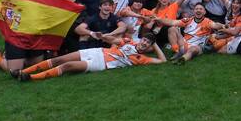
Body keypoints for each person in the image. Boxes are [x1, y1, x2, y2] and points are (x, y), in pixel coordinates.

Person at [18, 33, 165, 81]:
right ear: (141, 40)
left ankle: (31, 77)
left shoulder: (143, 59)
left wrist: (156, 44)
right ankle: (24, 72)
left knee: (67, 66)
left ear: (150, 46)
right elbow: (112, 40)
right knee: (60, 59)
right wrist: (103, 36)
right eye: (144, 40)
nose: (145, 43)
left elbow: (163, 60)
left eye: (148, 43)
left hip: (101, 64)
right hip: (97, 51)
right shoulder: (128, 41)